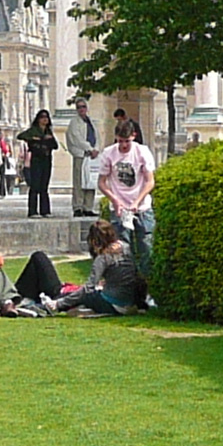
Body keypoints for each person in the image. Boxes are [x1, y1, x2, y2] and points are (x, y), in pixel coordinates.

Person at [99, 120, 160, 275]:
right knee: (122, 250)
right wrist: (114, 199)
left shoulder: (142, 152)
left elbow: (150, 180)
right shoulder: (109, 153)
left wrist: (137, 201)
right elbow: (102, 182)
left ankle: (145, 285)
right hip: (120, 209)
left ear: (134, 136)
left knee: (146, 248)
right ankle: (126, 285)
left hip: (141, 207)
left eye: (127, 141)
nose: (124, 145)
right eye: (120, 141)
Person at [56, 219, 148, 316]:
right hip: (130, 301)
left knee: (83, 296)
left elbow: (88, 288)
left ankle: (53, 305)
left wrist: (59, 303)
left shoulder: (103, 257)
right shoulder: (126, 248)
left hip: (114, 304)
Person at [22, 110, 59, 219]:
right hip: (37, 159)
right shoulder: (34, 130)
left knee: (44, 186)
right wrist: (34, 139)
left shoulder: (48, 131)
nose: (44, 119)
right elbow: (22, 136)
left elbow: (55, 145)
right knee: (35, 185)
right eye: (42, 117)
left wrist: (49, 139)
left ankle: (45, 210)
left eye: (46, 117)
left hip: (46, 159)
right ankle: (32, 211)